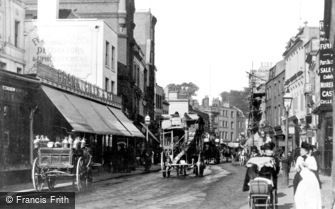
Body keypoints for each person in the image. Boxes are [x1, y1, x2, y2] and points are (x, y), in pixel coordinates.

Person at [294, 142, 322, 209]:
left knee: (310, 197)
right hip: (302, 178)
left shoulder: (311, 158)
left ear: (306, 151)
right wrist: (297, 168)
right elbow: (296, 168)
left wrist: (307, 165)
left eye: (302, 150)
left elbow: (315, 168)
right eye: (300, 150)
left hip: (311, 179)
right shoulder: (299, 158)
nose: (300, 151)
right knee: (298, 196)